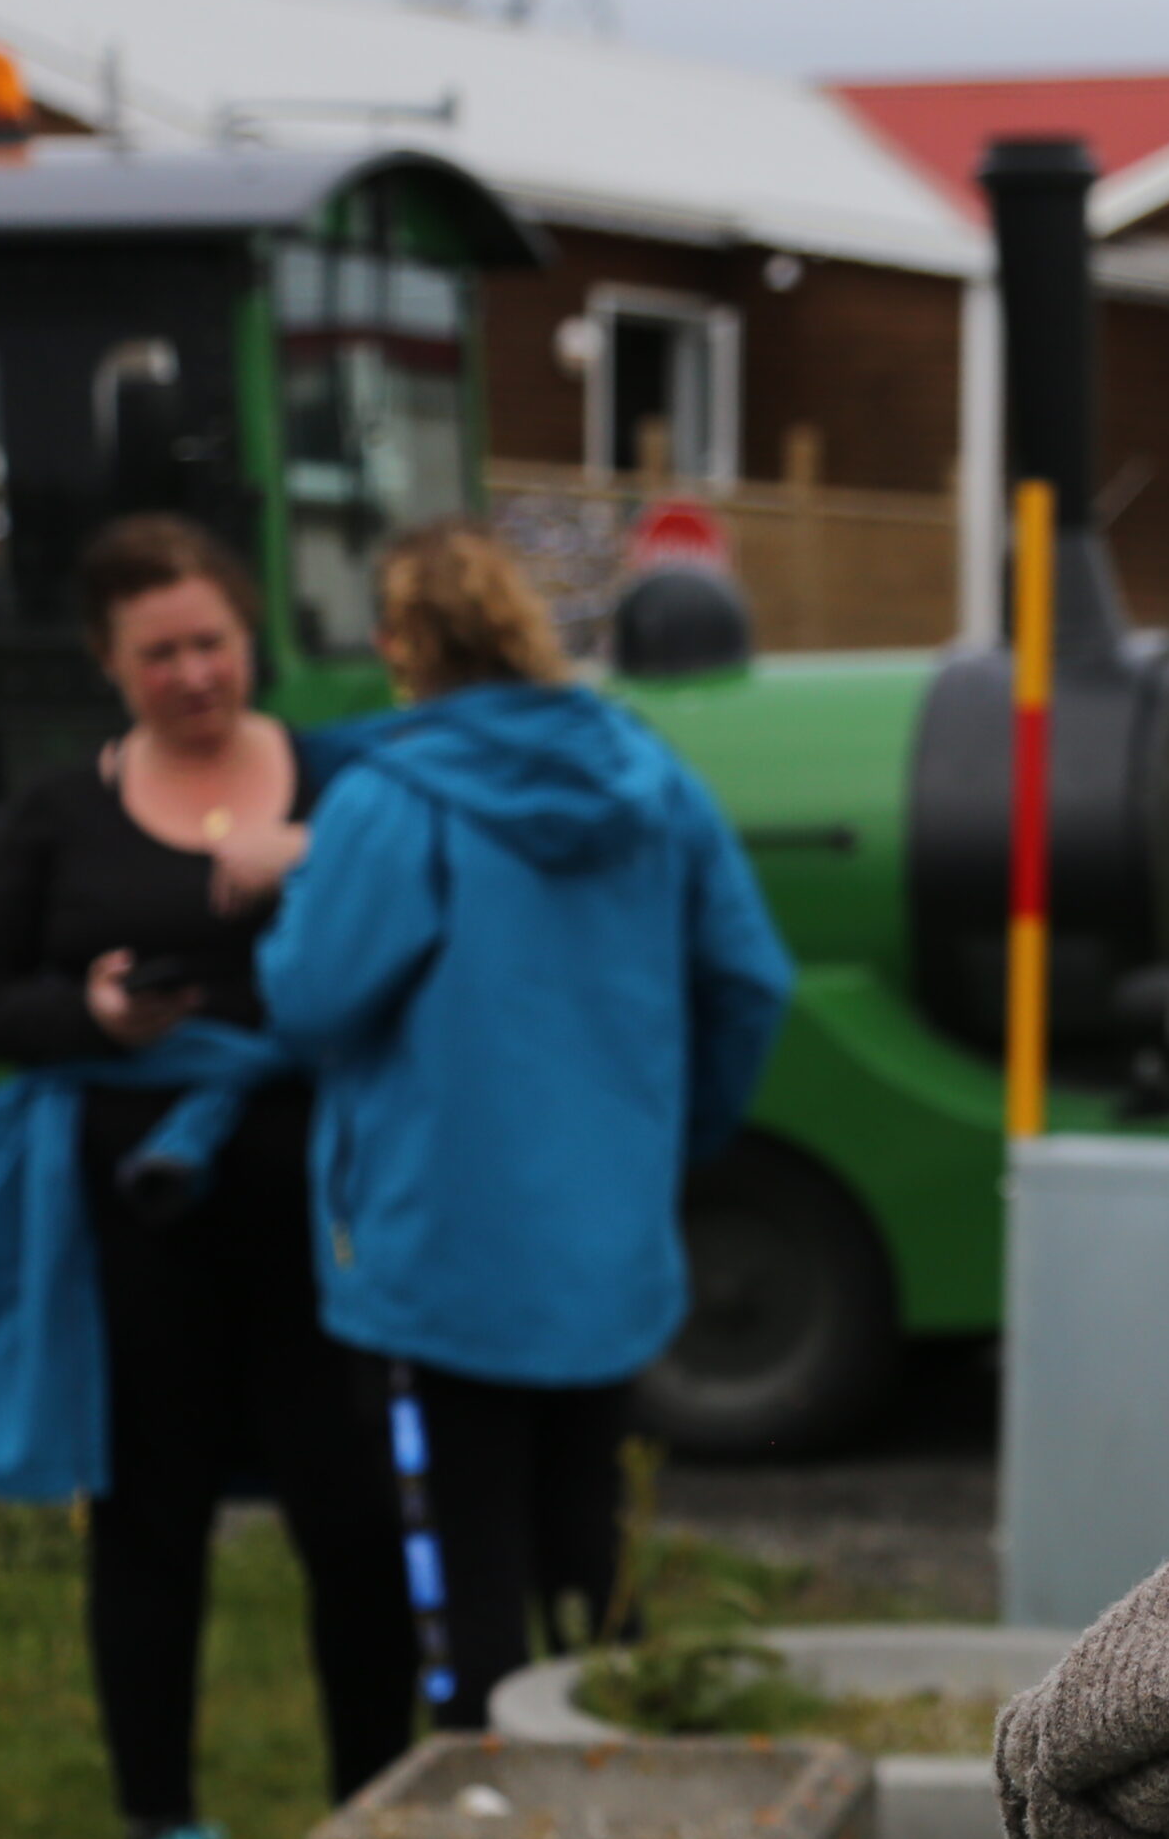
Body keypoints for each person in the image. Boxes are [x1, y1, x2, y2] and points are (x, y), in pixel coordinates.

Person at [0, 514, 413, 1839]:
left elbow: (433, 920)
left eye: (211, 641)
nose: (193, 673)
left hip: (326, 1211)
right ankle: (158, 1815)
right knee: (148, 1512)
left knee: (355, 1512)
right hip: (136, 1226)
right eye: (159, 653)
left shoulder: (345, 779)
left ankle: (372, 1796)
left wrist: (309, 850)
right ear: (107, 663)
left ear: (248, 638)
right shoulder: (58, 815)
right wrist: (89, 1012)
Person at [258, 523, 791, 1728]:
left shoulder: (390, 800)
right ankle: (631, 1790)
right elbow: (748, 979)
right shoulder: (649, 779)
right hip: (606, 1246)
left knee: (462, 1578)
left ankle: (490, 1820)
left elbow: (312, 998)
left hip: (433, 1255)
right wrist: (677, 1135)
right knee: (589, 1556)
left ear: (401, 646)